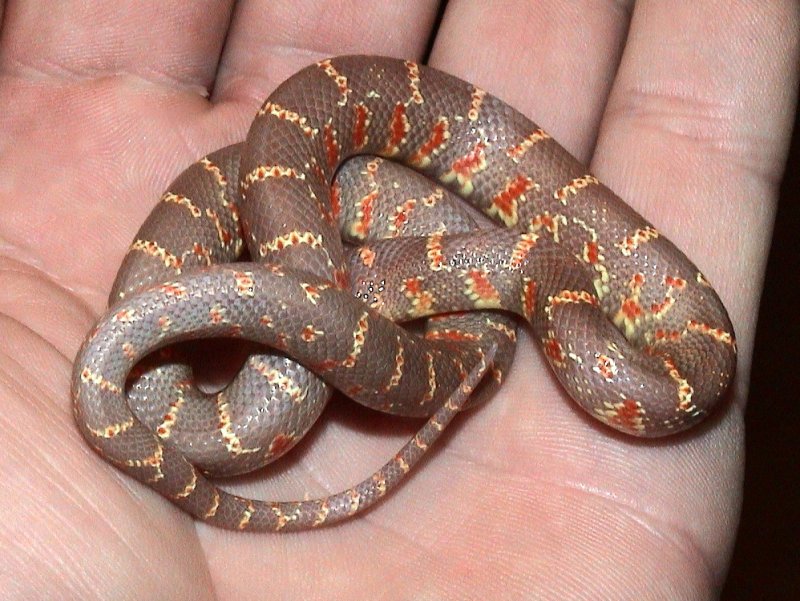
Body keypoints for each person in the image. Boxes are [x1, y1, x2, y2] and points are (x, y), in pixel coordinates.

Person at [0, 1, 796, 598]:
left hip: (483, 287)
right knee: (263, 176)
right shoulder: (394, 259)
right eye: (332, 303)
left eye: (336, 303)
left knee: (298, 209)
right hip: (420, 263)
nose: (327, 299)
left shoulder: (548, 295)